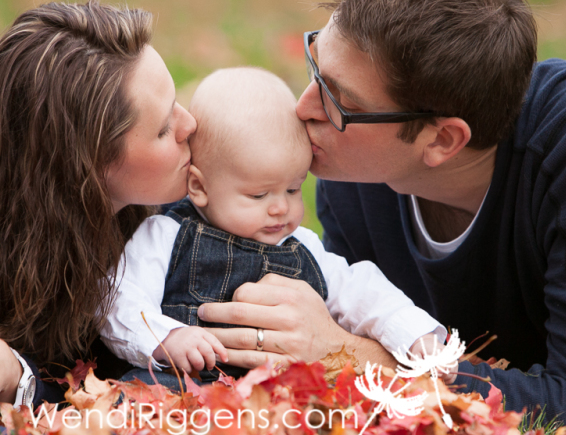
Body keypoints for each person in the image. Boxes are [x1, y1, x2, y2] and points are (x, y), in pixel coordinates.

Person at [197, 0, 566, 426]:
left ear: (442, 139)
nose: (304, 108)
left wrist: (352, 357)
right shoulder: (354, 174)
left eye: (341, 104)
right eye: (315, 67)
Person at [0, 0, 196, 424]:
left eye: (176, 101)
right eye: (162, 129)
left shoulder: (159, 218)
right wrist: (17, 373)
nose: (190, 123)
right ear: (83, 168)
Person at [99, 67, 446, 383]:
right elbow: (118, 297)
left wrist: (414, 335)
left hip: (281, 393)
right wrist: (166, 338)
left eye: (293, 189)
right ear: (199, 188)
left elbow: (363, 292)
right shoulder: (166, 236)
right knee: (134, 400)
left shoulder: (303, 246)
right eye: (258, 195)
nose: (281, 208)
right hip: (184, 383)